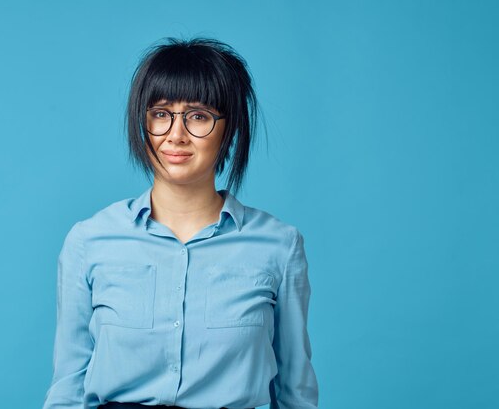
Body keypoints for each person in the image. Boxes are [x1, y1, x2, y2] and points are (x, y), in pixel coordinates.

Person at [42, 37, 319, 409]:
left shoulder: (279, 246)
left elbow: (295, 392)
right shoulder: (89, 241)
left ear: (230, 128)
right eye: (160, 113)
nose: (176, 134)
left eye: (198, 116)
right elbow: (68, 389)